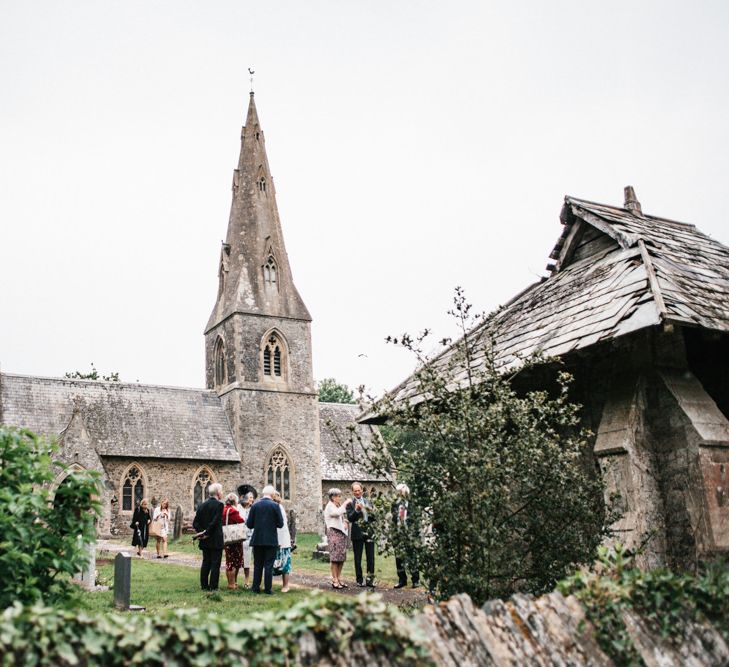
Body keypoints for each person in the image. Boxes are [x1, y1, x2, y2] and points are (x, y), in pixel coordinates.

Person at [245, 485, 283, 594]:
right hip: (271, 540)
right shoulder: (275, 506)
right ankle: (268, 589)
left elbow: (249, 524)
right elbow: (280, 524)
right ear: (272, 495)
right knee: (268, 565)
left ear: (263, 494)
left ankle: (255, 588)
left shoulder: (255, 506)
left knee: (257, 564)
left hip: (257, 539)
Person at [192, 482, 224, 591]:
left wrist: (202, 533)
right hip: (215, 539)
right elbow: (215, 522)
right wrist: (206, 533)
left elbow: (195, 523)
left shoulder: (202, 505)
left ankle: (204, 585)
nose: (222, 493)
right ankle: (213, 587)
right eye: (221, 491)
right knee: (215, 563)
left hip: (205, 540)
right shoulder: (219, 505)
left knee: (206, 562)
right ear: (218, 493)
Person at [347, 482, 376, 588]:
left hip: (369, 532)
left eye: (359, 490)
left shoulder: (368, 502)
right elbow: (350, 518)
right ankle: (359, 580)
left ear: (362, 491)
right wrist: (356, 510)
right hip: (357, 533)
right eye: (355, 491)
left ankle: (370, 580)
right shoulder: (350, 503)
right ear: (352, 492)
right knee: (358, 558)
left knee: (370, 557)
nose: (357, 492)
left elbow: (374, 517)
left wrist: (372, 512)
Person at [392, 483, 420, 589]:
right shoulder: (395, 504)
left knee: (412, 556)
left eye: (401, 492)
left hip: (410, 535)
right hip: (398, 534)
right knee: (399, 558)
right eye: (398, 493)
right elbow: (394, 520)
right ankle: (402, 580)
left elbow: (416, 520)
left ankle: (415, 580)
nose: (399, 495)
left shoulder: (413, 504)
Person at [324, 488, 352, 589]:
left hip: (341, 533)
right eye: (338, 496)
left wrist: (345, 521)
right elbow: (336, 513)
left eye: (340, 496)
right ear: (333, 497)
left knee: (341, 557)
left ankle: (339, 577)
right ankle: (334, 579)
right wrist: (345, 503)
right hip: (334, 533)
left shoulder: (338, 505)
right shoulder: (330, 506)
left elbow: (341, 516)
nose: (340, 498)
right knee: (335, 558)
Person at [222, 493, 246, 590]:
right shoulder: (233, 511)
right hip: (234, 539)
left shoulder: (223, 510)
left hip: (226, 538)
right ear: (234, 501)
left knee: (229, 561)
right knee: (234, 562)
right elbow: (241, 520)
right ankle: (232, 584)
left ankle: (230, 583)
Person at [272, 491, 293, 593]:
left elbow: (281, 526)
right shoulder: (275, 507)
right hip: (274, 539)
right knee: (272, 563)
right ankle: (270, 584)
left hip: (282, 539)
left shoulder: (279, 508)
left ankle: (285, 585)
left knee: (285, 563)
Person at [237, 492, 255, 587]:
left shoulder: (253, 509)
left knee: (250, 561)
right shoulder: (239, 508)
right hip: (242, 537)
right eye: (250, 497)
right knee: (241, 560)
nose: (252, 499)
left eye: (252, 497)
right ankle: (239, 581)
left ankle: (249, 581)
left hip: (252, 537)